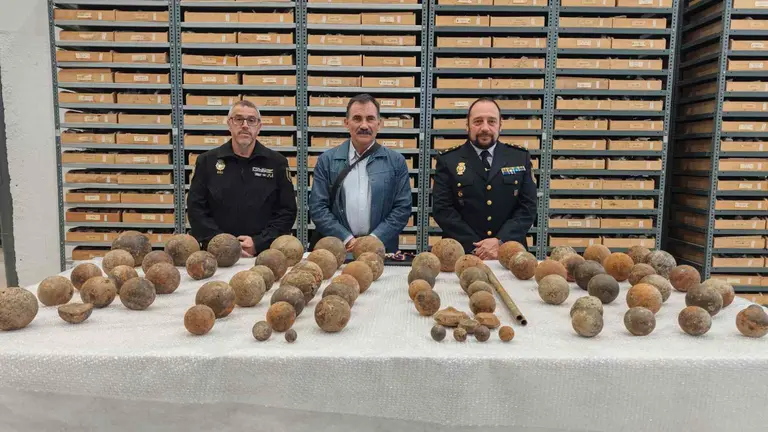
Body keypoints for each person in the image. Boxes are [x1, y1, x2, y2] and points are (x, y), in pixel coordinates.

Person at [187, 100, 297, 257]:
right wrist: (223, 245)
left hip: (263, 255)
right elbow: (196, 209)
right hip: (215, 255)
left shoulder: (277, 163)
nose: (245, 125)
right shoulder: (207, 161)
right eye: (238, 119)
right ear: (229, 124)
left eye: (251, 120)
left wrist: (259, 242)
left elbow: (287, 211)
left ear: (259, 127)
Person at [432, 97, 537, 260]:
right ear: (467, 125)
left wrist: (500, 242)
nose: (485, 128)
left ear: (500, 124)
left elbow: (527, 208)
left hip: (511, 253)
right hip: (462, 253)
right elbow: (442, 209)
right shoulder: (448, 160)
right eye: (478, 121)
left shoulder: (519, 157)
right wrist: (478, 247)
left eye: (492, 121)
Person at [309, 94, 412, 253]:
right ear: (346, 123)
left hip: (380, 249)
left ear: (379, 124)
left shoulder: (396, 162)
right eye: (357, 118)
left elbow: (402, 208)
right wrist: (346, 239)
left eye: (370, 119)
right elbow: (318, 207)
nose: (364, 125)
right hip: (338, 251)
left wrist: (373, 240)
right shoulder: (327, 160)